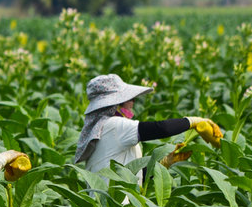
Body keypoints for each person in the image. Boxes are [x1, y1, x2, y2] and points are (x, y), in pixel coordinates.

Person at [74, 74, 220, 185]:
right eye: (128, 98)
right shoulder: (113, 125)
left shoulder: (103, 129)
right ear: (114, 104)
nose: (133, 102)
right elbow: (162, 128)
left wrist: (165, 162)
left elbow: (133, 177)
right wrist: (194, 122)